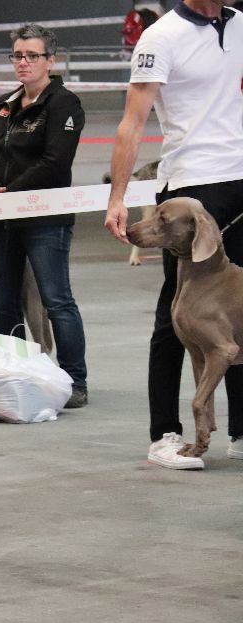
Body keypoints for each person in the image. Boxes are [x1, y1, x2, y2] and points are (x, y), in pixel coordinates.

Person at [104, 0, 243, 470]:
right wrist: (117, 196)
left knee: (238, 313)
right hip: (192, 188)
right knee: (175, 313)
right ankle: (164, 432)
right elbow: (133, 120)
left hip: (241, 179)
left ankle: (239, 431)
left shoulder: (240, 25)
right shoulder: (160, 37)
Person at [0, 23, 88, 409]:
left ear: (50, 61)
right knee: (3, 303)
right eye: (17, 56)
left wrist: (13, 191)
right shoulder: (6, 103)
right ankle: (12, 371)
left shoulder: (65, 104)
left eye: (31, 56)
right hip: (1, 218)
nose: (23, 62)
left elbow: (55, 162)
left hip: (45, 219)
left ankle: (76, 380)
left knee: (57, 301)